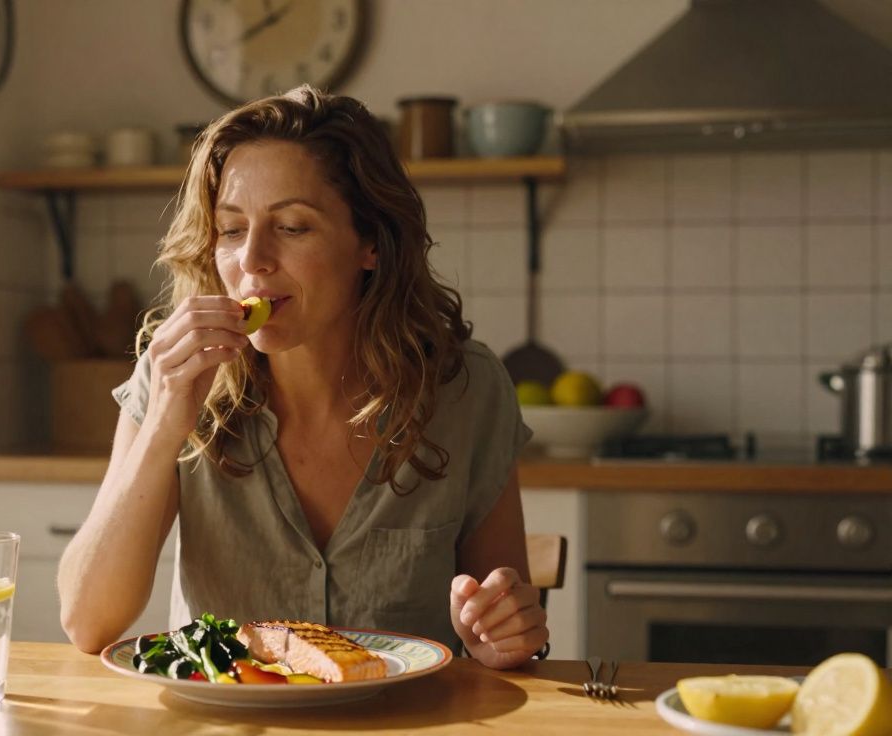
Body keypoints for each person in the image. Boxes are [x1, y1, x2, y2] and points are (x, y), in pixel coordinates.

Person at [57, 85, 547, 670]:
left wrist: (501, 635)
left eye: (292, 227)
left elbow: (507, 637)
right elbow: (87, 622)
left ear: (369, 242)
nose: (253, 260)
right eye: (232, 230)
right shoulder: (174, 377)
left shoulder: (465, 387)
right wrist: (164, 424)